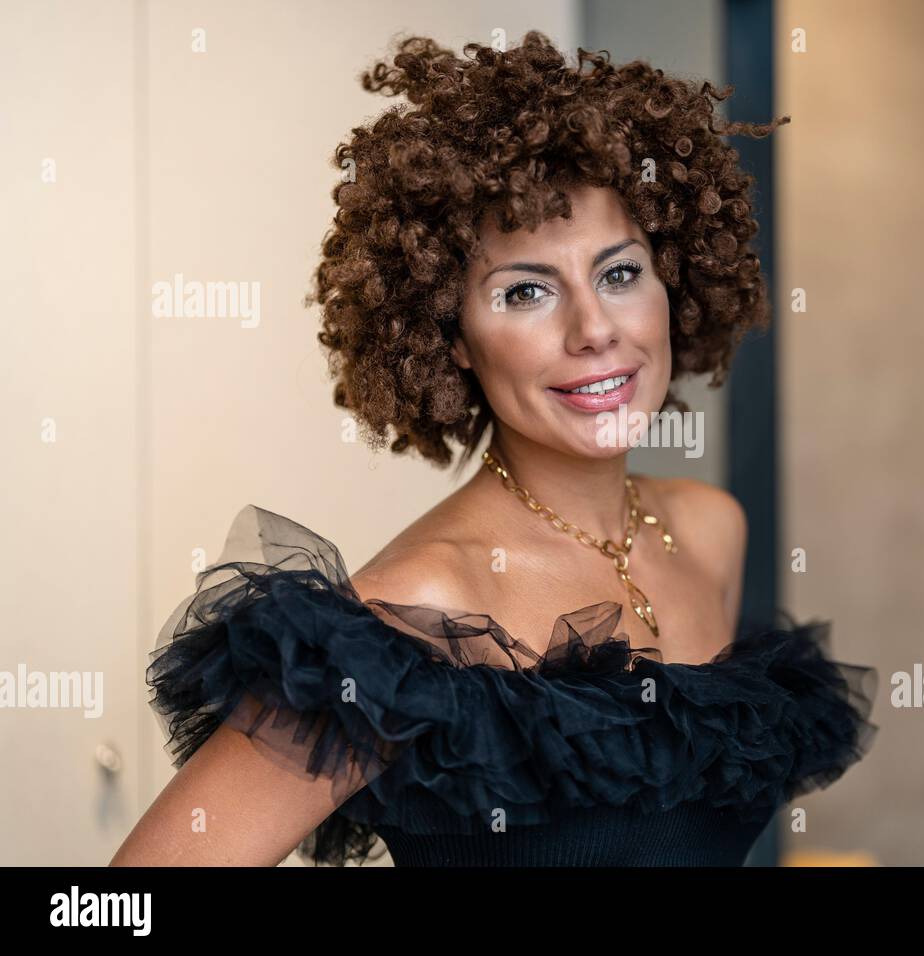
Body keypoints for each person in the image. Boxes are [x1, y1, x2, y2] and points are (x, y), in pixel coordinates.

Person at [110, 31, 878, 867]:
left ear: (674, 282)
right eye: (526, 292)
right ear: (453, 341)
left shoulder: (709, 529)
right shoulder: (412, 615)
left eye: (620, 273)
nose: (595, 331)